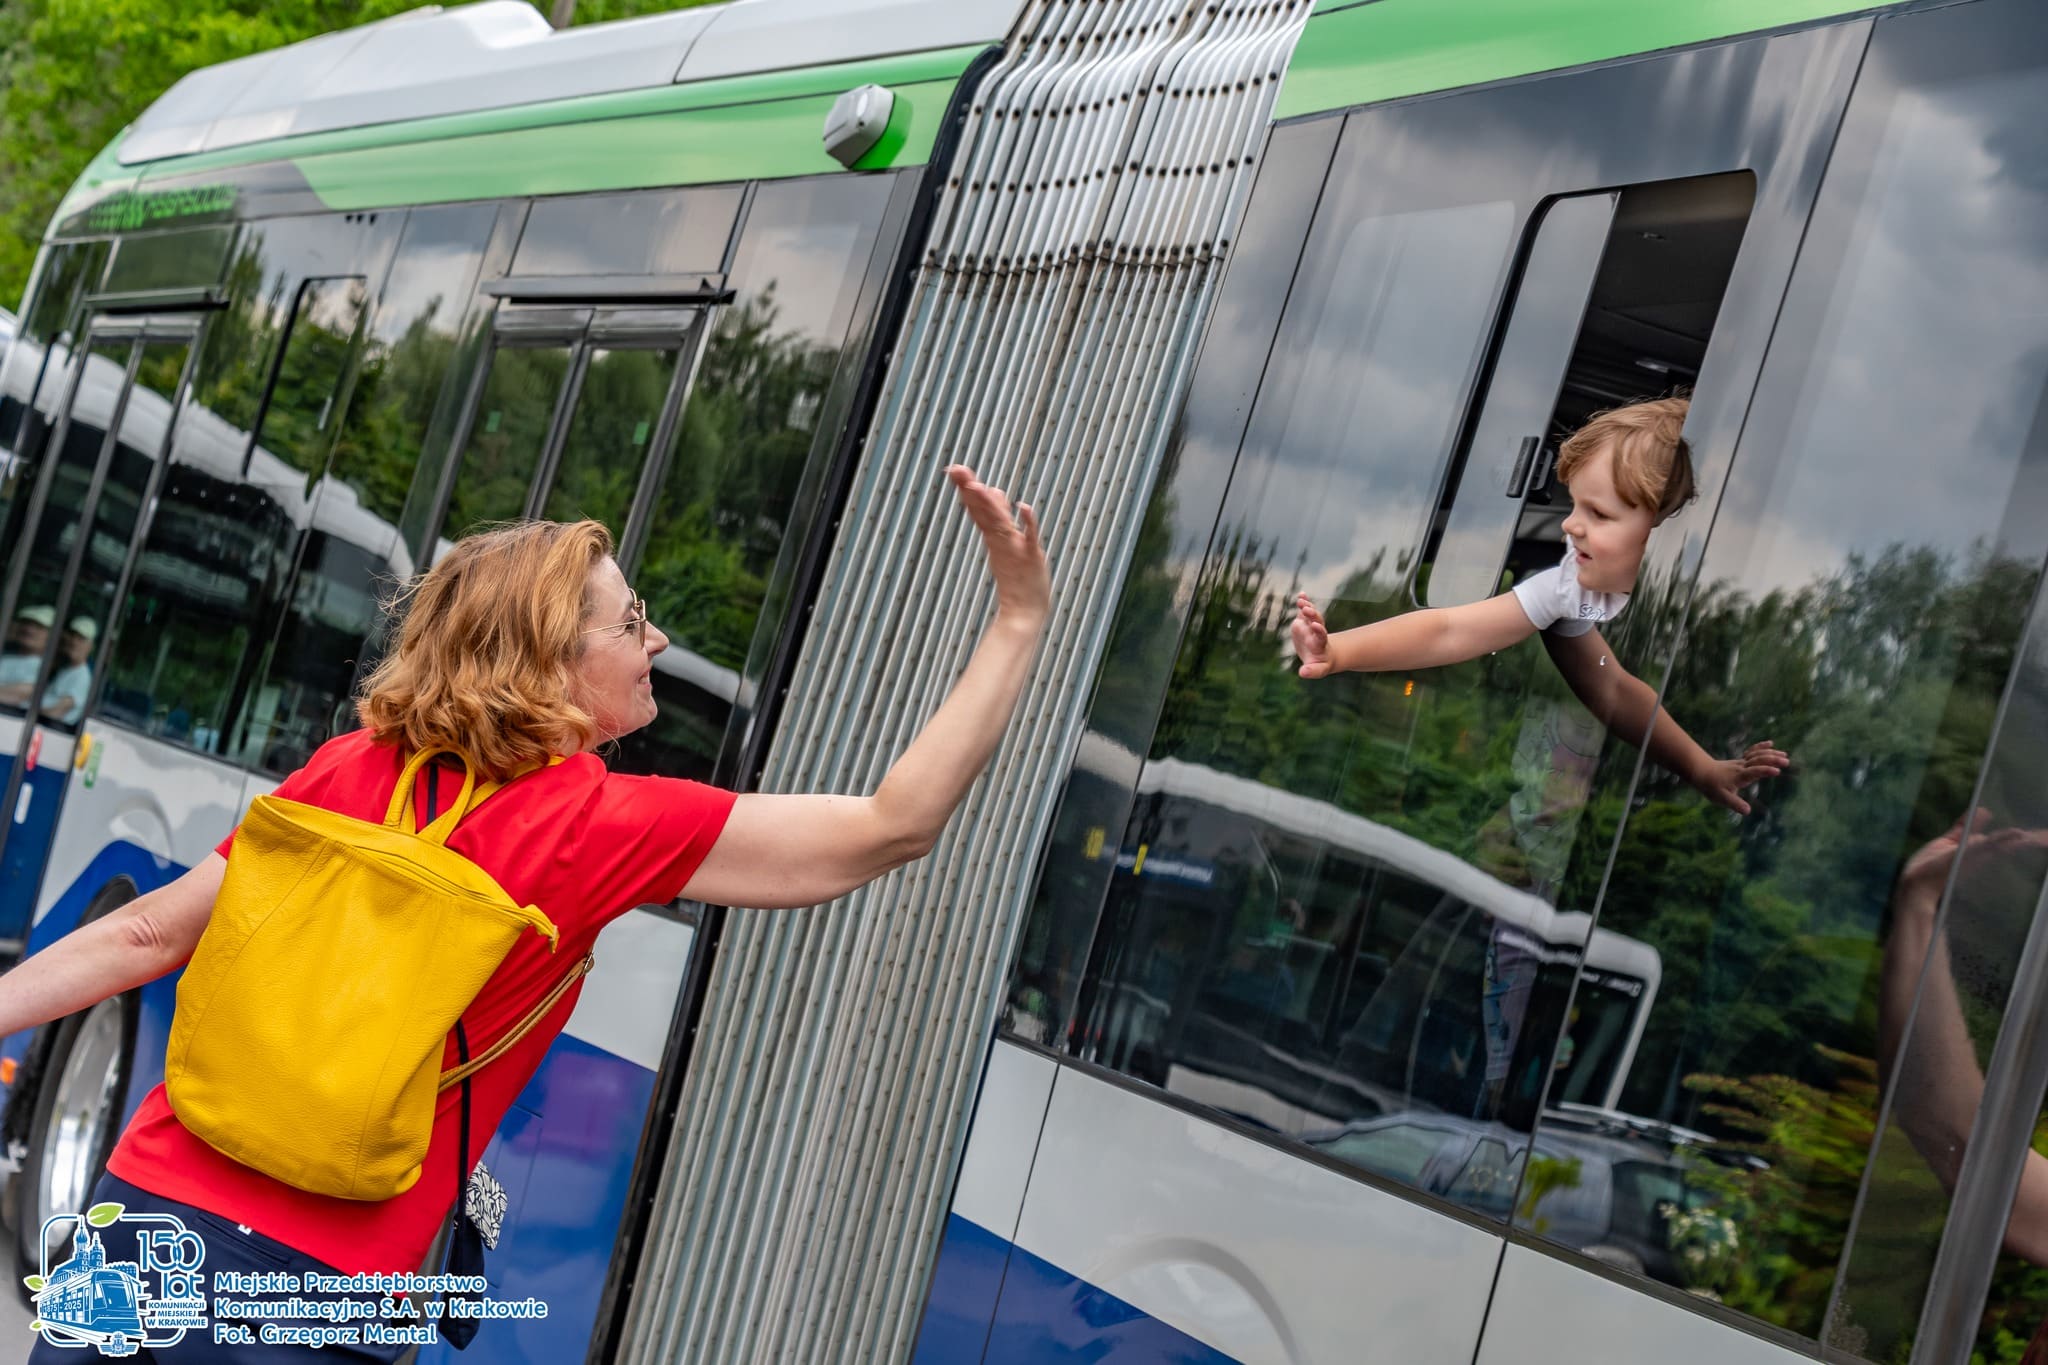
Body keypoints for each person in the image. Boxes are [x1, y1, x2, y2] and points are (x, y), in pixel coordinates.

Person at [1, 464, 1049, 1362]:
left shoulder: (348, 765)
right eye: (632, 621)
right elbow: (890, 826)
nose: (659, 638)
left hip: (141, 1227)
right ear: (550, 658)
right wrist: (1014, 624)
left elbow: (147, 935)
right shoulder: (598, 825)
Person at [1290, 396, 1788, 815]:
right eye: (1574, 505)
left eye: (1598, 512)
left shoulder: (1710, 599)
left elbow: (1617, 685)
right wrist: (1336, 651)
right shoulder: (1570, 584)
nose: (1570, 525)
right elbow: (1450, 629)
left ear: (1661, 529)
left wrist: (1703, 766)